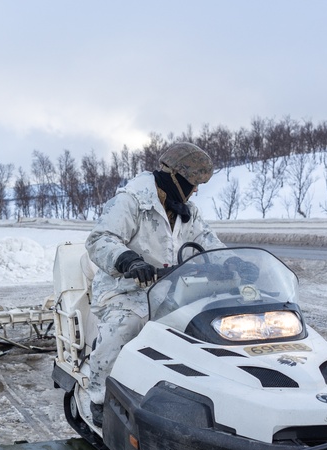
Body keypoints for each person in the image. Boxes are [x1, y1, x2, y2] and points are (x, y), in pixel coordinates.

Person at [84, 142, 224, 426]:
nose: (196, 190)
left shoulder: (187, 211)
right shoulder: (131, 201)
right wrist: (127, 260)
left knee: (207, 327)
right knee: (127, 325)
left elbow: (209, 243)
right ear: (175, 177)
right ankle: (98, 396)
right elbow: (100, 239)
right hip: (123, 290)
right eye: (193, 183)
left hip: (167, 290)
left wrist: (230, 262)